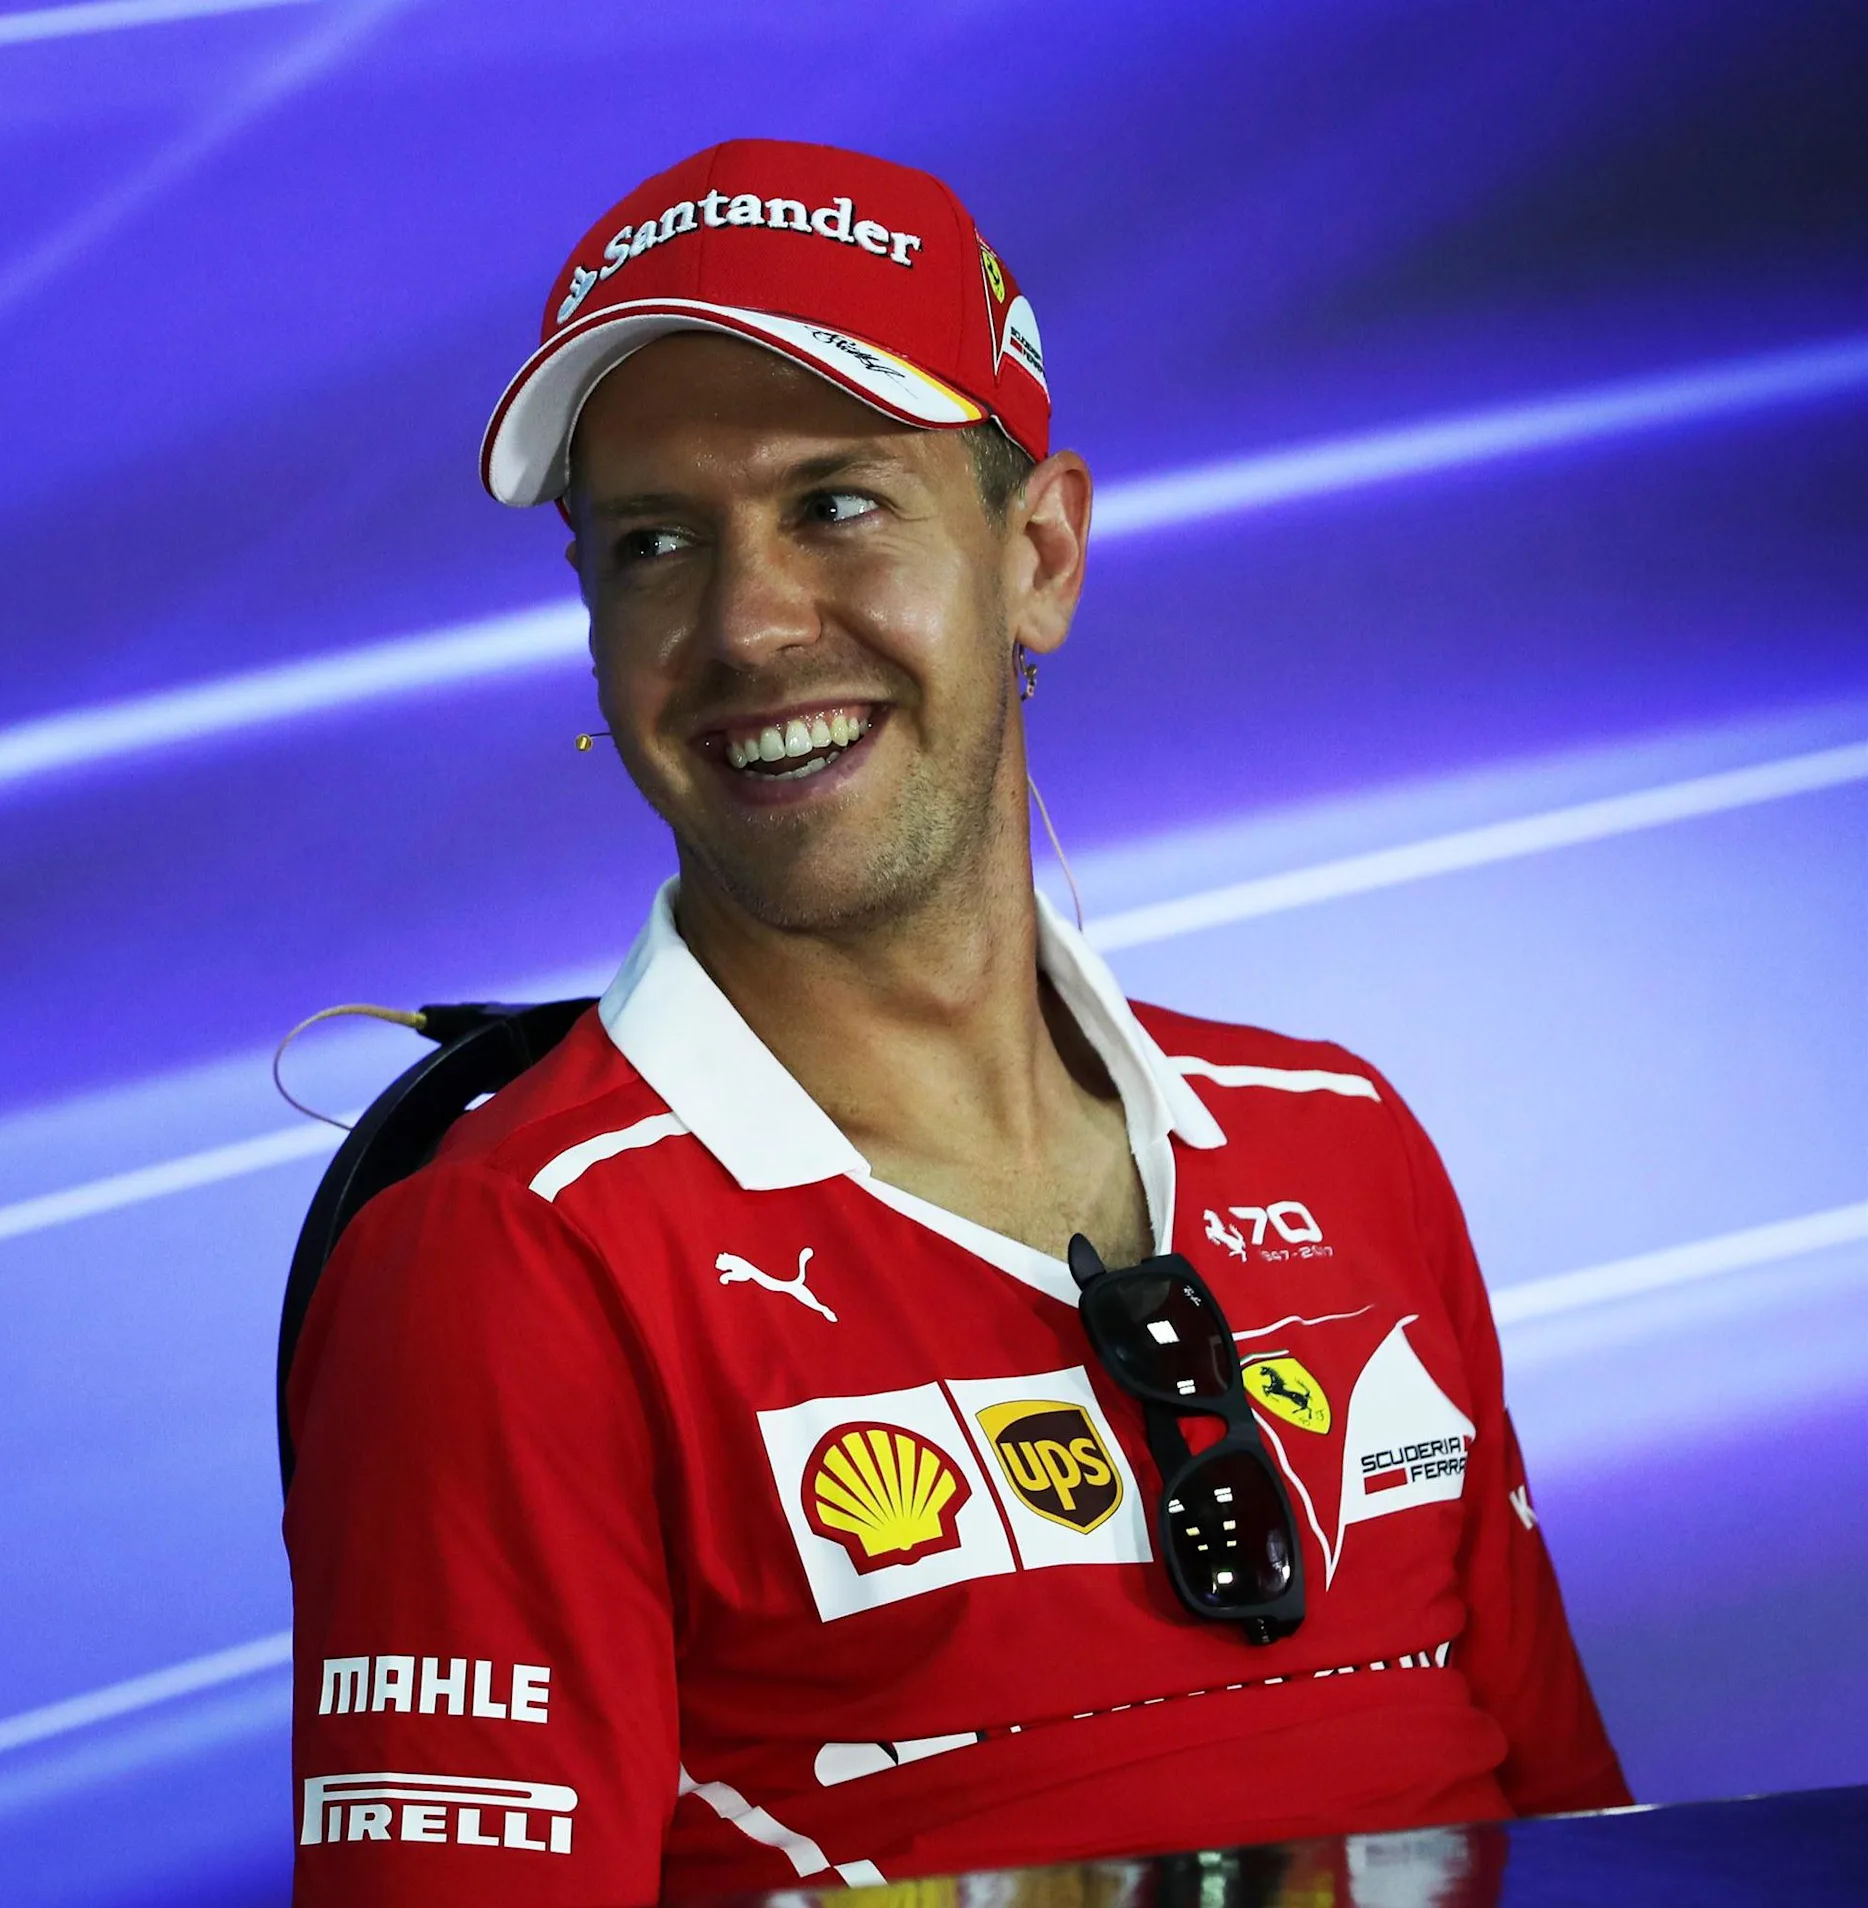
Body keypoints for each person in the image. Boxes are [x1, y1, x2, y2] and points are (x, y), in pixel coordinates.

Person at [281, 137, 1627, 1902]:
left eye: (836, 504)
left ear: (1038, 554)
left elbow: (1579, 1837)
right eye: (654, 544)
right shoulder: (507, 1263)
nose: (749, 625)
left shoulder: (1342, 1140)